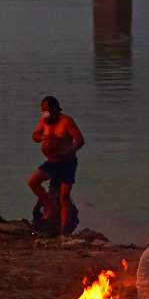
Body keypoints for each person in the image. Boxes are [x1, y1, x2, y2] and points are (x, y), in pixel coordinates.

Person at [27, 95, 85, 237]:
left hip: (67, 163)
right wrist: (44, 137)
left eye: (46, 110)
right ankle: (49, 208)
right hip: (52, 161)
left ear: (54, 109)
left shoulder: (66, 121)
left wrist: (68, 151)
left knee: (64, 196)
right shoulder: (44, 121)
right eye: (42, 111)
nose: (44, 114)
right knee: (33, 181)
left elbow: (80, 140)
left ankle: (63, 233)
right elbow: (35, 136)